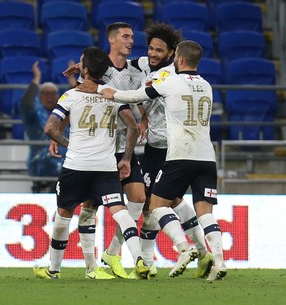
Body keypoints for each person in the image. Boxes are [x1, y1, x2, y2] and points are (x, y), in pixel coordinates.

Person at [77, 23, 213, 279]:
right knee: (152, 204)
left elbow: (148, 95)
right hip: (153, 146)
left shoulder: (175, 74)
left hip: (174, 148)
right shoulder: (141, 65)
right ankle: (167, 259)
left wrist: (141, 116)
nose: (152, 53)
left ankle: (189, 253)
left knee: (161, 202)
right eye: (150, 48)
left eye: (159, 50)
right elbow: (101, 66)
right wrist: (81, 69)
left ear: (173, 54)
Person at [32, 46, 150, 280]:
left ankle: (54, 270)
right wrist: (126, 157)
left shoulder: (70, 96)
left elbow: (49, 128)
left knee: (63, 215)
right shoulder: (112, 93)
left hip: (76, 166)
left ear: (84, 69)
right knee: (120, 211)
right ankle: (139, 259)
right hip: (105, 167)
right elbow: (133, 128)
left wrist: (68, 143)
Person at [60, 22, 147, 279]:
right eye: (125, 36)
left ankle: (113, 251)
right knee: (90, 208)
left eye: (132, 36)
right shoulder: (99, 71)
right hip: (101, 149)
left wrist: (145, 118)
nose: (130, 41)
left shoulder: (137, 70)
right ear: (112, 39)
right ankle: (91, 267)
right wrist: (61, 132)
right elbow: (76, 102)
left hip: (125, 147)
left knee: (138, 198)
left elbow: (144, 97)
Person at [19, 61, 69, 191]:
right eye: (45, 93)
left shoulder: (66, 114)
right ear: (40, 96)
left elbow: (83, 102)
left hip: (66, 160)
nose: (50, 97)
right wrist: (36, 79)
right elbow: (26, 104)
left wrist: (73, 80)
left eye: (53, 93)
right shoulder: (34, 114)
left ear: (58, 97)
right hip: (41, 162)